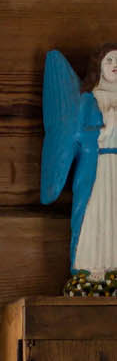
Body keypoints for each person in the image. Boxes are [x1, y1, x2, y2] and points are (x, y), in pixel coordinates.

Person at [42, 43, 117, 294]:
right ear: (99, 66)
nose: (115, 65)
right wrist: (106, 129)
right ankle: (92, 265)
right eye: (109, 60)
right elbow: (83, 134)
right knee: (95, 211)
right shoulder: (89, 99)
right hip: (98, 165)